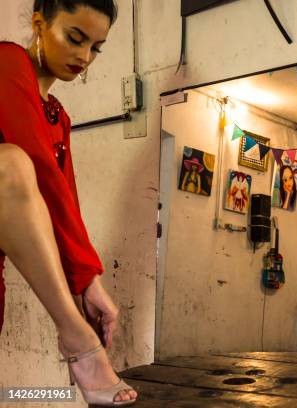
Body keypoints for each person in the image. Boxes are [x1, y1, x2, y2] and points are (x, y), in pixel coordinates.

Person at [0, 0, 137, 405]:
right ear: (40, 24)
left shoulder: (58, 117)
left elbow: (65, 203)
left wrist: (88, 285)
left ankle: (78, 337)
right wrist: (76, 314)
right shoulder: (7, 62)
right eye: (74, 38)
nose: (84, 57)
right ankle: (77, 341)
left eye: (95, 47)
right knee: (11, 162)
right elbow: (38, 171)